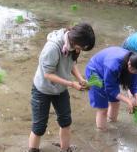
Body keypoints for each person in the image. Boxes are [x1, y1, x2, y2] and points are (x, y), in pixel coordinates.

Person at [28, 23, 95, 152]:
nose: (81, 49)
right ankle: (33, 150)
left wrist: (80, 79)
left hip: (60, 90)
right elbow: (48, 74)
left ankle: (65, 149)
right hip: (43, 89)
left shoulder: (72, 44)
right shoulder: (52, 48)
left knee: (66, 121)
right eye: (83, 46)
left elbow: (71, 64)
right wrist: (71, 84)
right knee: (39, 127)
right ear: (77, 40)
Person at [85, 47, 137, 131]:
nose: (134, 72)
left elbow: (134, 84)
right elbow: (110, 89)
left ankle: (112, 123)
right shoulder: (113, 65)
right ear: (129, 63)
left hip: (108, 72)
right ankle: (102, 132)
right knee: (103, 108)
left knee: (115, 102)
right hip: (95, 72)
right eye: (133, 70)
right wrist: (128, 100)